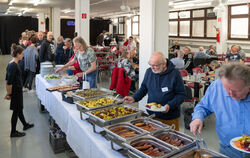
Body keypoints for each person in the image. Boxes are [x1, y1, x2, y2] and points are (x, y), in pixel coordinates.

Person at [190, 62, 250, 158]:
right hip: (227, 149)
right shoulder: (217, 86)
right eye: (227, 89)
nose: (230, 94)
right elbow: (203, 106)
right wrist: (198, 118)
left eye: (235, 91)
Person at [123, 52, 185, 130]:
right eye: (151, 65)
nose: (152, 68)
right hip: (152, 116)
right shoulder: (149, 72)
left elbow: (181, 95)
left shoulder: (175, 74)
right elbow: (144, 88)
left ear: (164, 64)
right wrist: (134, 98)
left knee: (170, 140)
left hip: (170, 118)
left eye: (155, 65)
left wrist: (170, 105)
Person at [4, 44, 34, 138]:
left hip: (17, 91)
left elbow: (7, 79)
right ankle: (13, 132)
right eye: (22, 54)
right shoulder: (13, 65)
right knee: (16, 112)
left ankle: (25, 125)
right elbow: (9, 82)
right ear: (17, 54)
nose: (23, 55)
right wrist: (9, 94)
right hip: (16, 92)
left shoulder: (12, 63)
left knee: (19, 109)